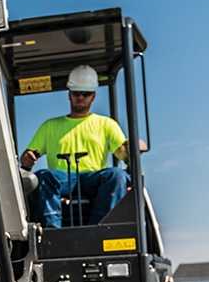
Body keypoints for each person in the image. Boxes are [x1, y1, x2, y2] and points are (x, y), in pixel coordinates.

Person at [19, 64, 143, 227]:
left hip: (94, 178)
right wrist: (27, 157)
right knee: (42, 177)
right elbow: (28, 154)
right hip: (63, 179)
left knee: (117, 176)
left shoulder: (106, 124)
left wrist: (133, 148)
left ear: (93, 96)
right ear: (69, 95)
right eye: (77, 93)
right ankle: (53, 231)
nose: (81, 97)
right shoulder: (49, 126)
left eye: (86, 94)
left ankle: (99, 228)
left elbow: (122, 153)